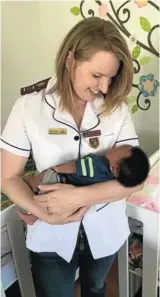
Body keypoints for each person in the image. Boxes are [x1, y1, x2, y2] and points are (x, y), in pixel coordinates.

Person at [1, 17, 144, 297]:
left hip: (104, 228)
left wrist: (79, 198)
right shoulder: (29, 106)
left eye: (111, 77)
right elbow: (7, 176)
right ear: (70, 60)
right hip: (50, 231)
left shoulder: (116, 107)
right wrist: (38, 209)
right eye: (96, 76)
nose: (104, 88)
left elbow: (135, 180)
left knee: (95, 287)